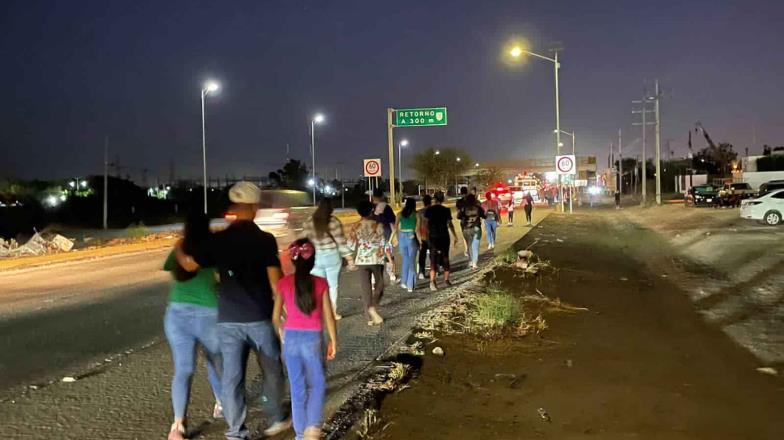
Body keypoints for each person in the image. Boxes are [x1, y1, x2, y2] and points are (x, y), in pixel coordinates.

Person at [177, 182, 290, 440]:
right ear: (253, 207)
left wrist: (179, 246)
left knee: (232, 379)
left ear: (234, 208)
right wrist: (284, 312)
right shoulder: (265, 240)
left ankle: (236, 433)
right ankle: (275, 417)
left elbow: (189, 264)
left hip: (228, 320)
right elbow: (276, 282)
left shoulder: (218, 240)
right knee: (272, 370)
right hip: (261, 316)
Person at [163, 211, 223, 440]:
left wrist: (179, 246)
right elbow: (220, 278)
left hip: (177, 314)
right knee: (216, 362)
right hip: (208, 313)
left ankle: (178, 425)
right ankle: (222, 404)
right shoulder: (212, 249)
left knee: (184, 369)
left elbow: (173, 271)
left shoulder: (181, 248)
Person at [272, 239, 337, 440]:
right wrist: (333, 340)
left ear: (293, 261)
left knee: (297, 388)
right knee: (316, 384)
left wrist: (281, 331)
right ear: (313, 260)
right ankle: (312, 428)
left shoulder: (283, 283)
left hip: (290, 338)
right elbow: (329, 315)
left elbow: (275, 316)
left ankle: (301, 435)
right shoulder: (320, 283)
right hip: (313, 339)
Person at [302, 198, 355, 320]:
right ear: (331, 208)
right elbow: (341, 243)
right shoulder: (334, 222)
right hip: (332, 257)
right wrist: (349, 258)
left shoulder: (310, 222)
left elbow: (303, 240)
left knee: (317, 286)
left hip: (315, 257)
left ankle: (318, 312)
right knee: (332, 286)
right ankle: (332, 312)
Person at [347, 200, 386, 325]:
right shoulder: (378, 225)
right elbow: (383, 243)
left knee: (366, 290)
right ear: (372, 211)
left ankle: (369, 319)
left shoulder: (355, 226)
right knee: (379, 285)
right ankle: (373, 307)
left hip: (361, 260)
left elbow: (350, 245)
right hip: (376, 259)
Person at [424, 191, 459, 291]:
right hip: (444, 236)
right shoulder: (446, 210)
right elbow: (450, 224)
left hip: (433, 237)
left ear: (434, 199)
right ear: (443, 199)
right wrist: (455, 236)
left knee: (433, 259)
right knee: (445, 257)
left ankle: (432, 282)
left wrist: (426, 236)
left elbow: (425, 224)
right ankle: (447, 279)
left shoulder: (429, 210)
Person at [390, 197, 421, 292]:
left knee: (406, 259)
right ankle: (410, 285)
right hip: (411, 236)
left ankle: (403, 281)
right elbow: (417, 230)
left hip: (401, 237)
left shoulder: (399, 214)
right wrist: (420, 241)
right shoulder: (416, 215)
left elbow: (395, 228)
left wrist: (391, 240)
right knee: (412, 261)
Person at [372, 189, 397, 281]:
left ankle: (374, 278)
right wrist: (393, 236)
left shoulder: (372, 208)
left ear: (374, 197)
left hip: (375, 235)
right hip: (386, 234)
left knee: (377, 255)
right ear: (382, 196)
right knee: (389, 255)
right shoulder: (387, 207)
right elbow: (392, 223)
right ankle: (392, 274)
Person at [457, 194, 485, 270]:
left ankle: (471, 261)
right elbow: (484, 215)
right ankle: (475, 263)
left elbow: (458, 216)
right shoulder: (478, 208)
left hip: (466, 229)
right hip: (476, 228)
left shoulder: (464, 208)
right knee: (475, 246)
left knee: (469, 245)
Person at [416, 194, 432, 280]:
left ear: (423, 202)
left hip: (422, 235)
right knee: (433, 253)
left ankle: (421, 272)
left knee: (422, 254)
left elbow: (417, 226)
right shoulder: (433, 211)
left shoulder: (419, 212)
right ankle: (433, 269)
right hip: (432, 235)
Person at [456, 186, 469, 256]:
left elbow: (458, 212)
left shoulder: (459, 202)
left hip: (463, 221)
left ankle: (466, 249)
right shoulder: (471, 200)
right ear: (467, 192)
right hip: (472, 220)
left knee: (465, 235)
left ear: (461, 193)